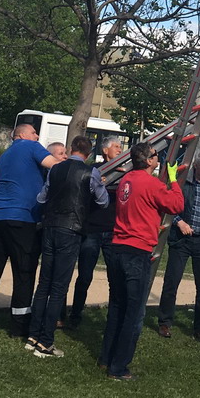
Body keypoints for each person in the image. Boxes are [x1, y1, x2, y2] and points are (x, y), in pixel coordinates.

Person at [99, 142, 185, 380]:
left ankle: (106, 358)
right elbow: (176, 205)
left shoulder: (127, 180)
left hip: (117, 247)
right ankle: (119, 368)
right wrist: (174, 180)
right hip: (137, 251)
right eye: (155, 155)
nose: (158, 158)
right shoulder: (151, 183)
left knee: (117, 306)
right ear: (148, 161)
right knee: (133, 312)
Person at [25, 135, 109, 358]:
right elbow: (103, 201)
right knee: (58, 287)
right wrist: (98, 186)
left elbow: (42, 198)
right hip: (72, 228)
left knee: (44, 283)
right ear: (88, 154)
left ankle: (33, 335)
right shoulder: (91, 173)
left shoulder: (56, 169)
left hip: (51, 226)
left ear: (71, 149)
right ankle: (46, 342)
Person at [0, 124, 57, 336]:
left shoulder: (6, 155)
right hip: (21, 218)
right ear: (22, 135)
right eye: (34, 132)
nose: (37, 135)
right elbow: (56, 166)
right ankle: (19, 325)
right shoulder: (30, 146)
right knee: (23, 272)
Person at [157, 154, 200, 341]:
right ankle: (165, 322)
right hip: (182, 241)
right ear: (196, 167)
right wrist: (179, 222)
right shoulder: (184, 183)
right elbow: (170, 205)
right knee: (172, 282)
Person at [68, 135, 124, 328]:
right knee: (85, 276)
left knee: (114, 277)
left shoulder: (124, 173)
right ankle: (75, 315)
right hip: (91, 230)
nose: (120, 150)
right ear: (105, 150)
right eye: (116, 146)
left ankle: (113, 318)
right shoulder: (94, 170)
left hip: (112, 231)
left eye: (121, 147)